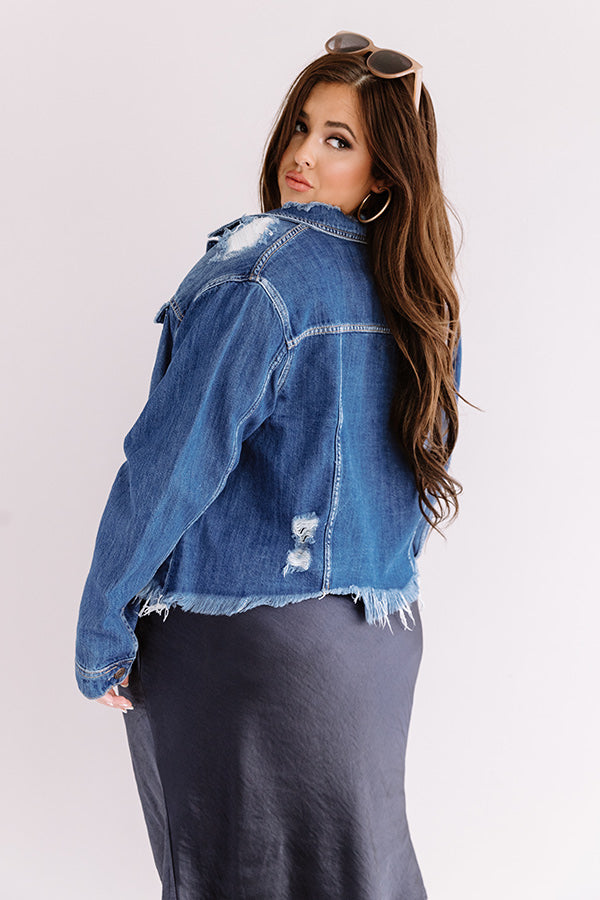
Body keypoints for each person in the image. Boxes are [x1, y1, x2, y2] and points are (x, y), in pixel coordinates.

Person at [74, 30, 464, 900]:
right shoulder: (421, 293)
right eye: (301, 125)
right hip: (376, 647)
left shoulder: (258, 273)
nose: (302, 154)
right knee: (362, 878)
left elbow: (169, 465)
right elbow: (417, 474)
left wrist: (102, 627)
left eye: (338, 139)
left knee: (232, 878)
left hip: (244, 650)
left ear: (384, 173)